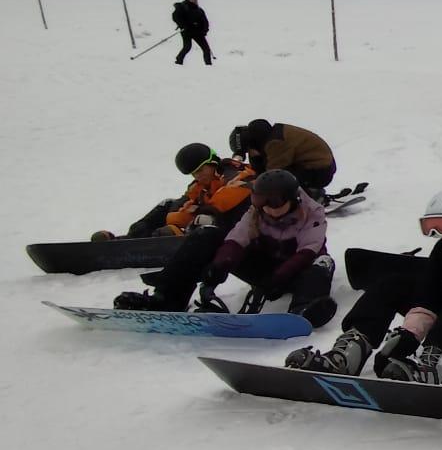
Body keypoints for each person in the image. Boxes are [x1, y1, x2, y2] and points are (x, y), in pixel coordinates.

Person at [287, 186, 442, 388]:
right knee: (392, 283)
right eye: (433, 228)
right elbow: (427, 300)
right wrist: (409, 337)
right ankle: (349, 352)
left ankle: (435, 365)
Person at [114, 170, 337, 327]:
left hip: (297, 271)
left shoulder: (312, 213)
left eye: (275, 202)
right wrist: (218, 269)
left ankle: (303, 311)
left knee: (323, 263)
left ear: (293, 199)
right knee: (208, 234)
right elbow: (236, 241)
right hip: (265, 268)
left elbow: (307, 252)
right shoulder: (257, 212)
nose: (267, 208)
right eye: (261, 200)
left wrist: (275, 280)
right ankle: (167, 299)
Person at [93, 143, 254, 241]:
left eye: (200, 170)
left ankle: (174, 236)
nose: (198, 176)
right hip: (205, 222)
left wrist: (204, 212)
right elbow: (182, 205)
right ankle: (132, 237)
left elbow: (235, 190)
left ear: (212, 163)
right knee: (167, 204)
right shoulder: (199, 186)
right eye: (194, 173)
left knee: (205, 217)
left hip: (235, 223)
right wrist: (177, 218)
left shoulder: (232, 170)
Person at [229, 119, 337, 199]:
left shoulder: (275, 143)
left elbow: (271, 175)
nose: (249, 154)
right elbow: (260, 171)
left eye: (248, 150)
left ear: (253, 143)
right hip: (315, 167)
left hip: (321, 172)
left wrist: (245, 185)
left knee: (279, 181)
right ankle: (309, 192)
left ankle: (309, 198)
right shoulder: (270, 136)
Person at [172, 0, 212, 66]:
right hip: (186, 31)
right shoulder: (182, 7)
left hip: (198, 32)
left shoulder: (199, 9)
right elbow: (175, 17)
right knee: (187, 47)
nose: (195, 0)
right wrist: (183, 25)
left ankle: (209, 65)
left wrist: (205, 30)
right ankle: (179, 60)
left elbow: (204, 20)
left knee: (206, 49)